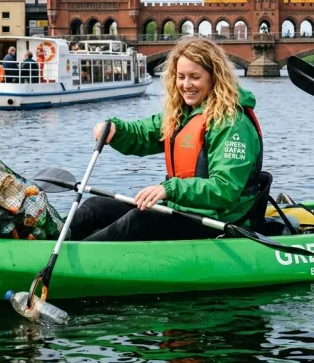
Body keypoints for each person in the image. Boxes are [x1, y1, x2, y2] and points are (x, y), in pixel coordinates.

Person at [68, 37, 265, 242]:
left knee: (139, 219)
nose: (186, 85)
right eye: (181, 77)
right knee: (94, 207)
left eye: (194, 77)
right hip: (185, 210)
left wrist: (169, 189)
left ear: (214, 77)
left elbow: (224, 189)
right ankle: (47, 244)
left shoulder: (232, 123)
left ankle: (68, 263)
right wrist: (116, 130)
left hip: (221, 219)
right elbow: (144, 133)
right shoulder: (184, 113)